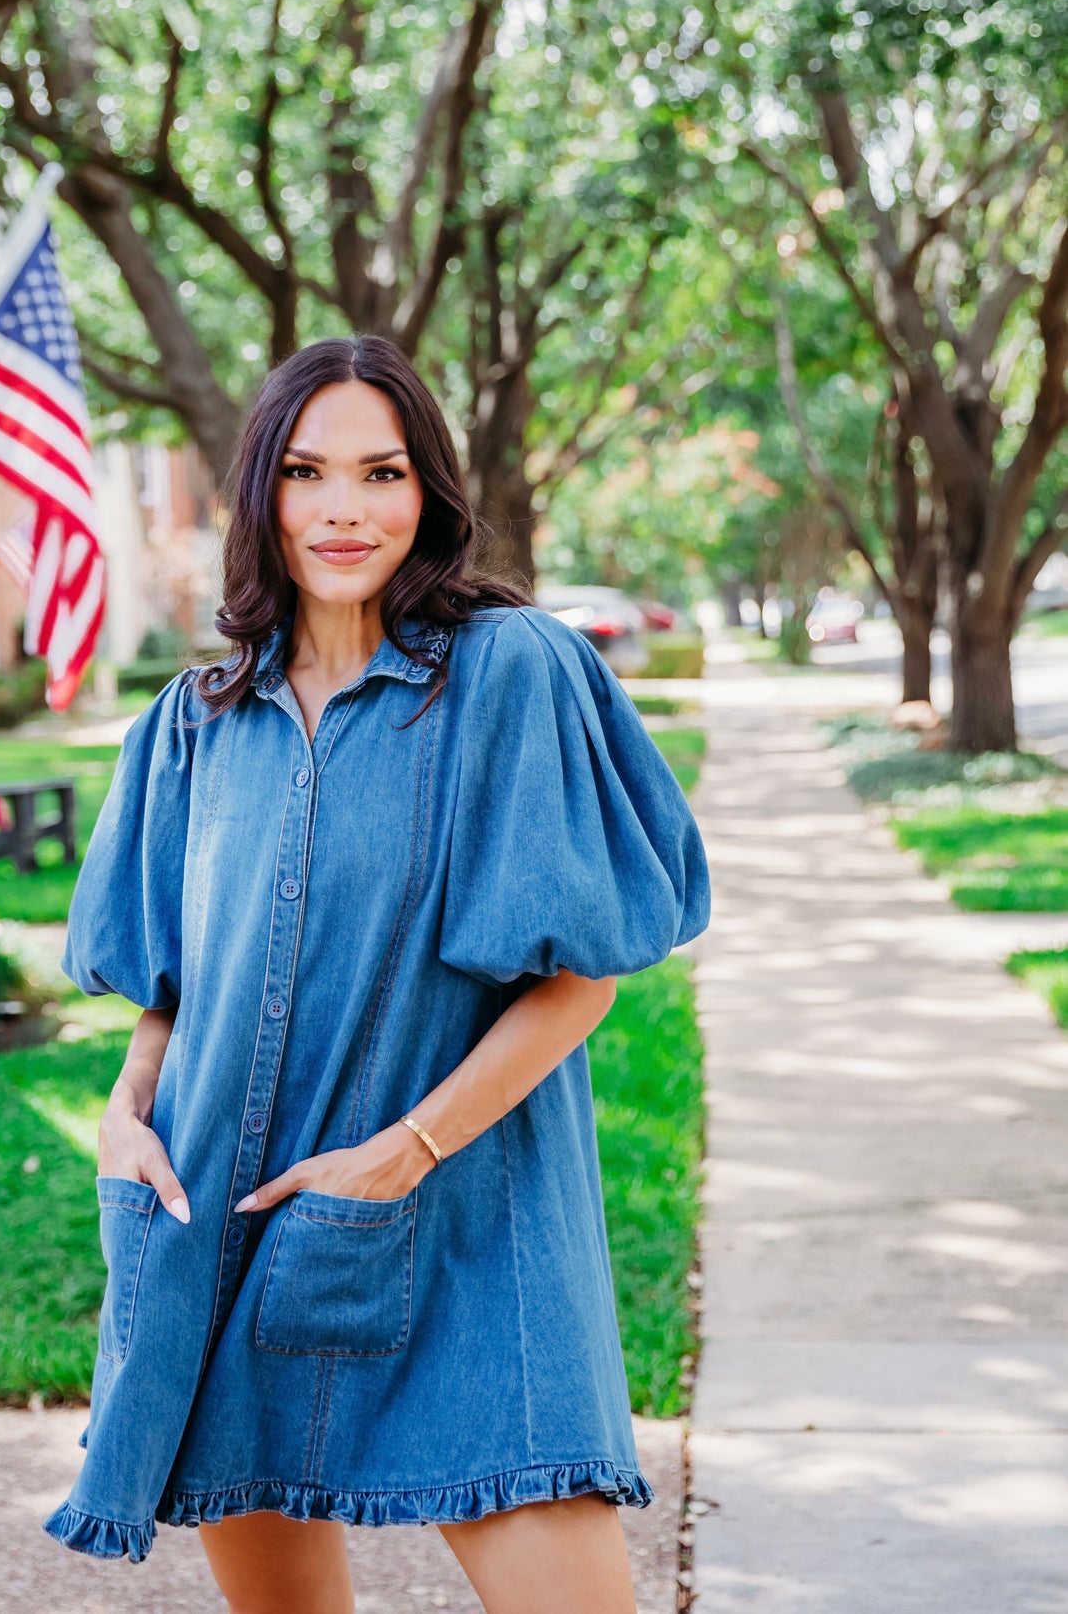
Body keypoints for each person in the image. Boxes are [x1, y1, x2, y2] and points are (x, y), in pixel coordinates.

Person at [43, 335, 711, 1614]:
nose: (343, 509)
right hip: (222, 1230)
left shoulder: (512, 672)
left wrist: (398, 1152)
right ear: (261, 495)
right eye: (305, 472)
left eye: (380, 472)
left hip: (468, 1219)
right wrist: (125, 1117)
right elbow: (169, 991)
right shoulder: (194, 720)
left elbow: (579, 980)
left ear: (428, 492)